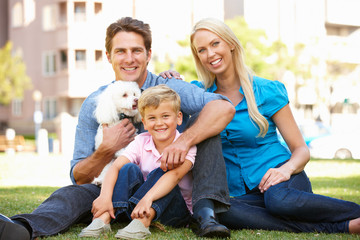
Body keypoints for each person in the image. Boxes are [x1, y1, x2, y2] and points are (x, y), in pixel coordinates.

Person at [0, 17, 234, 240]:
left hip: (165, 188)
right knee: (70, 194)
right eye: (121, 51)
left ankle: (205, 215)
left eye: (136, 51)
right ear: (109, 56)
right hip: (114, 188)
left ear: (148, 55)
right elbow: (79, 177)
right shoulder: (95, 103)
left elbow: (223, 108)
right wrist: (105, 150)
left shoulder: (168, 89)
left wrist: (183, 141)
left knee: (203, 125)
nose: (129, 59)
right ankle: (20, 228)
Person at [186, 17, 360, 234]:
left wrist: (285, 170)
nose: (210, 54)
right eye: (201, 50)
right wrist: (168, 78)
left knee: (279, 202)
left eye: (215, 44)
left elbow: (301, 149)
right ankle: (345, 226)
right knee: (222, 211)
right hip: (240, 193)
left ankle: (353, 214)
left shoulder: (267, 91)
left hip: (282, 181)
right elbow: (163, 102)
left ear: (230, 44)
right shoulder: (198, 95)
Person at [79, 85, 196, 239]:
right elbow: (115, 167)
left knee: (163, 170)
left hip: (174, 211)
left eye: (165, 116)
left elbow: (175, 176)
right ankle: (103, 218)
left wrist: (148, 198)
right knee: (128, 168)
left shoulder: (186, 145)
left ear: (179, 118)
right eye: (152, 118)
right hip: (140, 205)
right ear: (144, 122)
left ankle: (142, 222)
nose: (159, 123)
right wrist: (104, 197)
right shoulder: (141, 141)